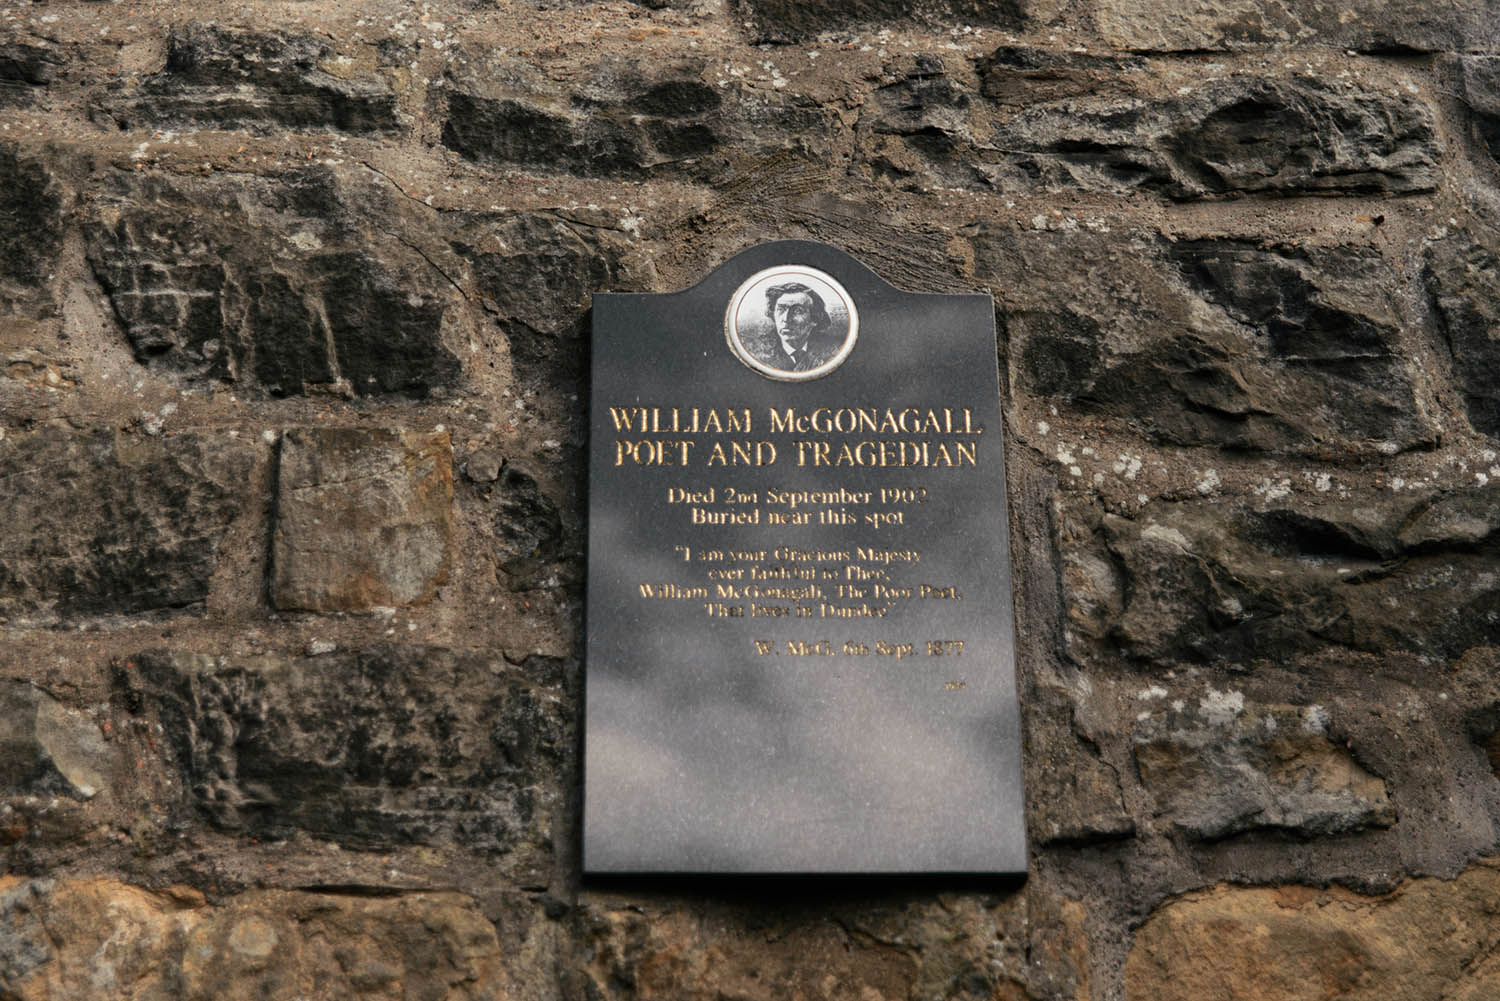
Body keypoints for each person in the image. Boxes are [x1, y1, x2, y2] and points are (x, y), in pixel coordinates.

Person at [741, 282, 844, 373]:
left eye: (797, 311)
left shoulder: (835, 350)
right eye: (781, 309)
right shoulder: (753, 351)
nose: (786, 319)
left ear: (814, 319)